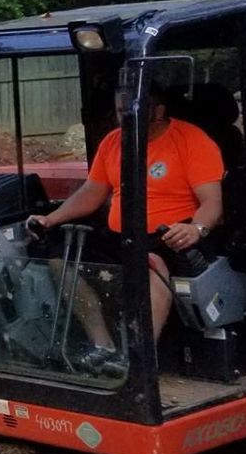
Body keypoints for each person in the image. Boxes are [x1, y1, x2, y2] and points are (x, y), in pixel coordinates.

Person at [28, 91, 224, 349]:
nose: (127, 119)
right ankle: (103, 346)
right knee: (60, 257)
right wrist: (50, 219)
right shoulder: (113, 142)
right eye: (122, 112)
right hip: (123, 238)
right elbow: (92, 192)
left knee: (152, 263)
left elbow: (213, 202)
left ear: (159, 111)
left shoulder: (191, 140)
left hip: (172, 236)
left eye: (133, 110)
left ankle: (138, 358)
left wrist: (196, 229)